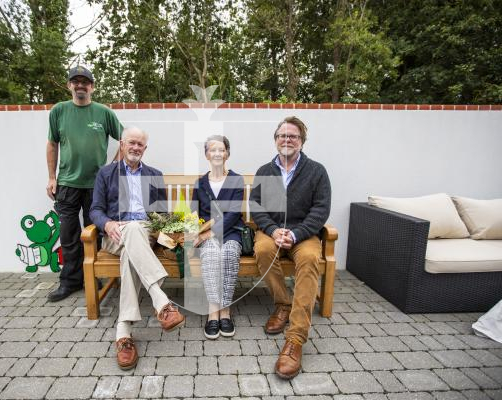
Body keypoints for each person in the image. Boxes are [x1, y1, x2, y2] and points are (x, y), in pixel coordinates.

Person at [90, 127, 185, 370]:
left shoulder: (154, 174)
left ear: (145, 148)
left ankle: (124, 333)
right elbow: (95, 210)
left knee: (134, 232)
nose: (135, 147)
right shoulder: (106, 173)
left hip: (144, 233)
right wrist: (107, 223)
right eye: (131, 142)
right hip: (115, 234)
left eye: (140, 144)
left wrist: (170, 225)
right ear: (122, 144)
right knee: (129, 232)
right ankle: (161, 302)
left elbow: (162, 213)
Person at [250, 116, 331, 379]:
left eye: (293, 136)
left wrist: (296, 234)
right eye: (282, 136)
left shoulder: (316, 171)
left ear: (301, 141)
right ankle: (283, 304)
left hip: (303, 234)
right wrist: (273, 230)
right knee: (262, 251)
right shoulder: (265, 171)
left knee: (309, 260)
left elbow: (320, 210)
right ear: (276, 140)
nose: (287, 140)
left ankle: (295, 339)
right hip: (271, 232)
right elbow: (257, 207)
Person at [46, 65, 122, 302]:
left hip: (96, 186)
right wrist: (51, 177)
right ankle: (70, 282)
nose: (80, 85)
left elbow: (126, 140)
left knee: (95, 235)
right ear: (69, 85)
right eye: (75, 81)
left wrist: (110, 170)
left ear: (92, 86)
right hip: (67, 184)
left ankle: (95, 277)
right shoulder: (58, 111)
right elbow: (52, 144)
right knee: (69, 236)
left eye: (85, 82)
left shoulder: (104, 113)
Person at [192, 135, 245, 339]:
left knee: (229, 253)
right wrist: (192, 233)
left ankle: (226, 310)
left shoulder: (236, 179)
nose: (217, 153)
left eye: (221, 150)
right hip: (206, 235)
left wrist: (208, 234)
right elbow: (193, 212)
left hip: (231, 231)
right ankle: (213, 311)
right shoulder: (200, 183)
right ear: (206, 154)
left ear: (227, 154)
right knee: (213, 255)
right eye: (212, 150)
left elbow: (233, 213)